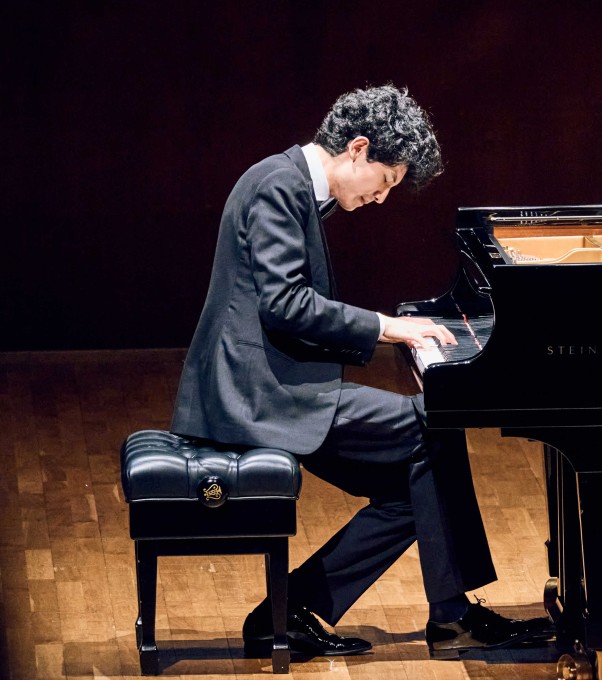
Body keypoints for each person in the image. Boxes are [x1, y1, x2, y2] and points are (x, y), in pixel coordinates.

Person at [169, 84, 549, 660]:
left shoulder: (290, 184)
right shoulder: (278, 186)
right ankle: (455, 619)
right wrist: (387, 327)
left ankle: (286, 613)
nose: (382, 197)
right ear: (358, 148)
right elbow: (285, 304)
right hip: (256, 395)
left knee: (411, 493)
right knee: (432, 424)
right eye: (386, 180)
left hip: (270, 384)